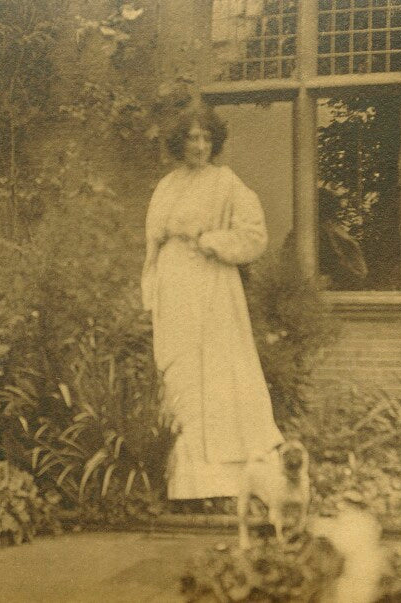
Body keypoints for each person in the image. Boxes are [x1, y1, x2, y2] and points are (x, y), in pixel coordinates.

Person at [141, 105, 284, 501]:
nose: (199, 146)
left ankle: (224, 482)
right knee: (180, 373)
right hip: (174, 292)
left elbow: (253, 236)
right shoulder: (167, 186)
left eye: (206, 138)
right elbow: (152, 248)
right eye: (191, 138)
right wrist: (152, 293)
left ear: (214, 142)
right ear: (179, 143)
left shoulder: (226, 183)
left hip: (212, 291)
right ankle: (182, 481)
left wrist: (210, 240)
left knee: (219, 376)